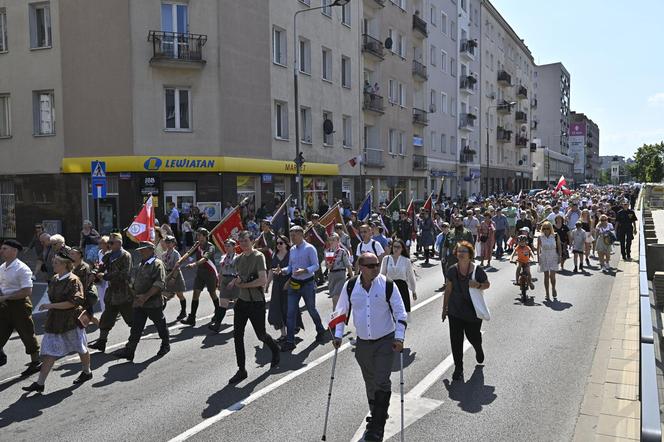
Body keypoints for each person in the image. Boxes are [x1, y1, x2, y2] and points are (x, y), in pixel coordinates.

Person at [331, 252, 407, 442]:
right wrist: (338, 335)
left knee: (382, 380)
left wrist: (399, 337)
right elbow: (340, 311)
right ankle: (378, 413)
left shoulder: (387, 285)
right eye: (371, 265)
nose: (376, 268)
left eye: (377, 264)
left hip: (385, 340)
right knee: (370, 382)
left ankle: (377, 427)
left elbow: (400, 312)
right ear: (361, 267)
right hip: (363, 343)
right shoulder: (350, 286)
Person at [22, 252, 91, 393]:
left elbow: (73, 302)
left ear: (65, 265)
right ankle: (40, 383)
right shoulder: (54, 279)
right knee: (50, 352)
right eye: (53, 262)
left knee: (80, 347)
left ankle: (87, 371)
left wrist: (51, 306)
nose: (53, 265)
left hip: (71, 320)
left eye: (56, 263)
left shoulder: (74, 280)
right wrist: (52, 307)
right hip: (55, 321)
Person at [227, 231, 281, 384]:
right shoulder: (238, 259)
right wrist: (234, 282)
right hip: (242, 302)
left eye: (246, 240)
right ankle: (241, 369)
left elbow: (262, 280)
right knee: (237, 335)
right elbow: (240, 275)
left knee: (261, 335)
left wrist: (243, 285)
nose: (243, 243)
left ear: (252, 241)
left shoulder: (258, 257)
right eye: (241, 241)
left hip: (256, 302)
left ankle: (275, 349)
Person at [441, 241, 490, 381]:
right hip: (455, 310)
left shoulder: (477, 270)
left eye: (464, 251)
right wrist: (445, 309)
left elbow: (487, 285)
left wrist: (478, 285)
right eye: (459, 251)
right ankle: (458, 368)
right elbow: (448, 290)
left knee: (472, 335)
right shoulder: (452, 270)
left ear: (470, 255)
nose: (461, 253)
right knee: (456, 340)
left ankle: (478, 347)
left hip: (472, 311)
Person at [114, 241, 170, 361]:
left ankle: (165, 344)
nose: (141, 252)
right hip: (139, 302)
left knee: (160, 324)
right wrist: (135, 294)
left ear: (151, 250)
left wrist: (146, 296)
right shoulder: (141, 264)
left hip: (153, 302)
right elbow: (135, 283)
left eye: (144, 250)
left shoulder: (157, 264)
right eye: (140, 250)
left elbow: (159, 284)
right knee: (136, 327)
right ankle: (130, 350)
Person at [278, 225, 327, 352]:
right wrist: (282, 270)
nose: (292, 238)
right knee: (290, 313)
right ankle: (290, 341)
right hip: (294, 284)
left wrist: (305, 270)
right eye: (291, 235)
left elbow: (316, 266)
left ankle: (320, 330)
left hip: (307, 284)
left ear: (301, 234)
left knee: (311, 309)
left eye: (294, 235)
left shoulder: (310, 248)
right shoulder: (293, 250)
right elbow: (290, 268)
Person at [0, 240, 41, 375]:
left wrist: (5, 297)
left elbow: (27, 291)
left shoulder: (22, 268)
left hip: (20, 305)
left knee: (26, 333)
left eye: (5, 249)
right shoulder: (2, 267)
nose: (1, 251)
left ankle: (36, 362)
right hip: (4, 306)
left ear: (14, 251)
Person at [89, 232, 133, 353]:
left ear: (119, 243)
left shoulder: (126, 255)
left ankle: (132, 343)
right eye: (108, 243)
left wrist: (106, 276)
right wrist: (94, 273)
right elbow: (100, 266)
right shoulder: (108, 255)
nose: (109, 245)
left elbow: (124, 274)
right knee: (106, 318)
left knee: (131, 319)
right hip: (112, 292)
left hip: (124, 292)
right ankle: (102, 342)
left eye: (111, 243)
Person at [181, 228, 221, 327]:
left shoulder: (210, 247)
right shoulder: (197, 245)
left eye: (200, 235)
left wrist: (194, 264)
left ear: (205, 236)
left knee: (212, 293)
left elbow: (205, 258)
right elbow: (189, 253)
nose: (198, 237)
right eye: (197, 235)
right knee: (195, 294)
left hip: (210, 273)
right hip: (200, 274)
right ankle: (192, 318)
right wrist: (180, 260)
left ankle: (218, 313)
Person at [267, 235, 303, 341]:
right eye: (277, 243)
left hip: (289, 284)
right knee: (277, 309)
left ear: (286, 244)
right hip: (277, 286)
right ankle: (283, 334)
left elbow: (295, 269)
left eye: (281, 243)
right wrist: (267, 284)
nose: (278, 245)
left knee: (289, 308)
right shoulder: (274, 254)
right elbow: (270, 270)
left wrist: (289, 281)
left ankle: (292, 330)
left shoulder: (291, 254)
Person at [211, 239, 239, 333]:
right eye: (225, 245)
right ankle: (217, 325)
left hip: (234, 280)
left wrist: (233, 281)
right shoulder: (223, 257)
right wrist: (219, 282)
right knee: (223, 304)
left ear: (234, 247)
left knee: (237, 304)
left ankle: (238, 324)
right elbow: (221, 271)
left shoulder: (238, 258)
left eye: (229, 246)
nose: (226, 247)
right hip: (224, 280)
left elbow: (240, 272)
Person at [380, 238, 417, 312]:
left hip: (402, 288)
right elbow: (382, 275)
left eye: (398, 247)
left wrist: (413, 290)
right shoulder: (386, 259)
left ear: (402, 249)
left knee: (402, 312)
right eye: (394, 247)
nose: (396, 249)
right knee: (390, 312)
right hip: (390, 287)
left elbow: (410, 276)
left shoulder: (406, 260)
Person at [70, 247, 99, 327]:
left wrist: (79, 296)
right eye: (70, 253)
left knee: (89, 316)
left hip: (84, 296)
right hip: (75, 296)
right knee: (83, 316)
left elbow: (85, 284)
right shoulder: (71, 266)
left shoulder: (85, 267)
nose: (70, 255)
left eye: (73, 254)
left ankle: (102, 328)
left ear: (79, 255)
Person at [162, 235, 187, 321]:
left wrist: (173, 278)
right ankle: (159, 312)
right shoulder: (164, 254)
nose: (168, 244)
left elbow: (177, 266)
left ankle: (183, 311)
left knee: (179, 294)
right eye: (167, 242)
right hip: (167, 274)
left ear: (173, 243)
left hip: (175, 274)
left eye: (170, 242)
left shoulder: (176, 254)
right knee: (163, 293)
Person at [325, 233, 354, 309]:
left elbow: (348, 265)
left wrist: (352, 278)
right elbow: (327, 265)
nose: (331, 242)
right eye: (330, 240)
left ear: (338, 241)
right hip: (331, 275)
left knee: (336, 298)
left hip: (340, 274)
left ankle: (335, 316)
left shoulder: (342, 252)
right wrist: (328, 265)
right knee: (334, 298)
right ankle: (340, 313)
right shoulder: (328, 251)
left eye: (333, 240)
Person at [537, 221, 562, 301]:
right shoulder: (540, 237)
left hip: (553, 255)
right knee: (546, 276)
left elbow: (559, 246)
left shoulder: (555, 236)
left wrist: (560, 256)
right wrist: (538, 258)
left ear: (550, 228)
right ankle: (547, 293)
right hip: (544, 256)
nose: (546, 230)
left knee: (552, 276)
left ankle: (553, 288)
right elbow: (538, 249)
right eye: (544, 228)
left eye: (547, 228)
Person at [95, 235, 110, 313]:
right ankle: (104, 312)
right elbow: (99, 262)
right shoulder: (99, 252)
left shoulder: (110, 253)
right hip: (100, 276)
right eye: (100, 243)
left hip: (108, 276)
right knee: (101, 295)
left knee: (107, 295)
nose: (100, 244)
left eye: (102, 243)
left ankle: (109, 313)